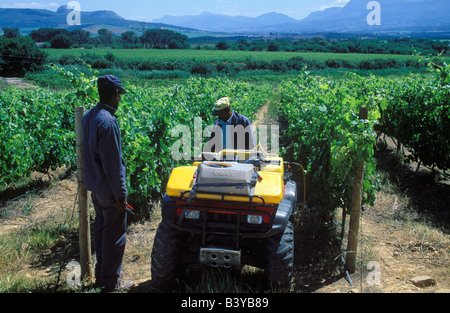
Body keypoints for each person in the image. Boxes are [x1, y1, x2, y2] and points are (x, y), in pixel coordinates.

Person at [82, 75, 134, 292]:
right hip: (109, 189)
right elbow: (113, 164)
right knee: (115, 235)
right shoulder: (107, 121)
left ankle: (102, 274)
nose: (120, 99)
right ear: (114, 94)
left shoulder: (88, 116)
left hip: (95, 186)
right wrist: (120, 194)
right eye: (119, 95)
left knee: (102, 230)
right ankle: (111, 281)